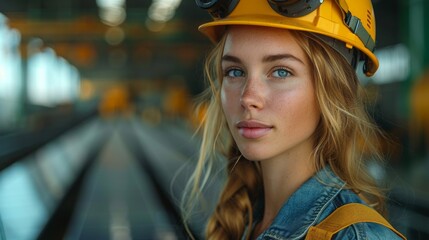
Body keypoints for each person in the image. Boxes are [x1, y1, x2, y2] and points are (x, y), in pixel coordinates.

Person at [182, 0, 407, 239]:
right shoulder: (248, 220)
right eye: (235, 72)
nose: (248, 98)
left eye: (281, 72)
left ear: (334, 89)